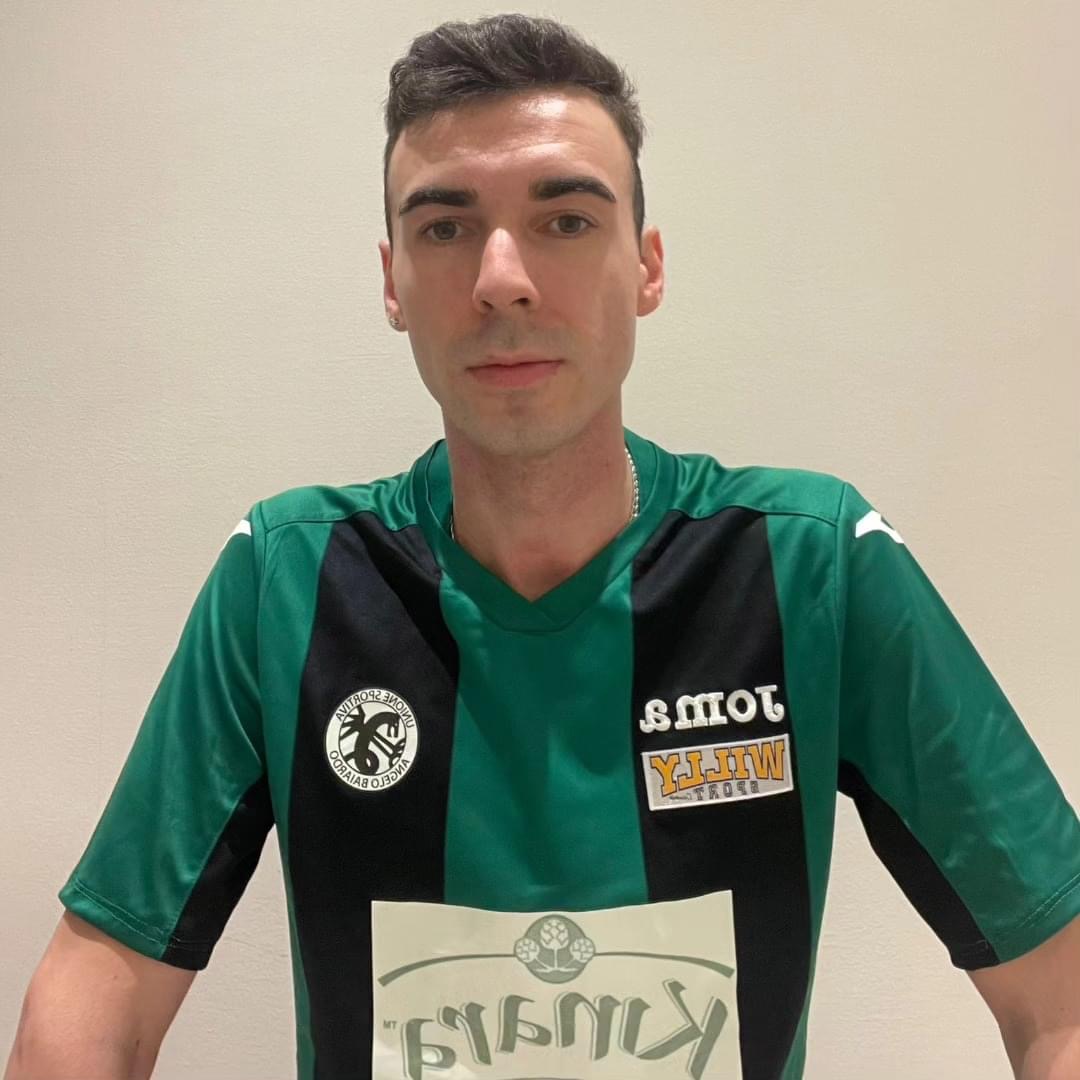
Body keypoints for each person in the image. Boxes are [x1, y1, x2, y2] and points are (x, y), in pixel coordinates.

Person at [6, 12, 1079, 1080]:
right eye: (445, 228)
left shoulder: (812, 564)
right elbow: (98, 992)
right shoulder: (287, 577)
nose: (502, 278)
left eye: (565, 220)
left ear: (647, 267)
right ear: (392, 282)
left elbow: (1059, 992)